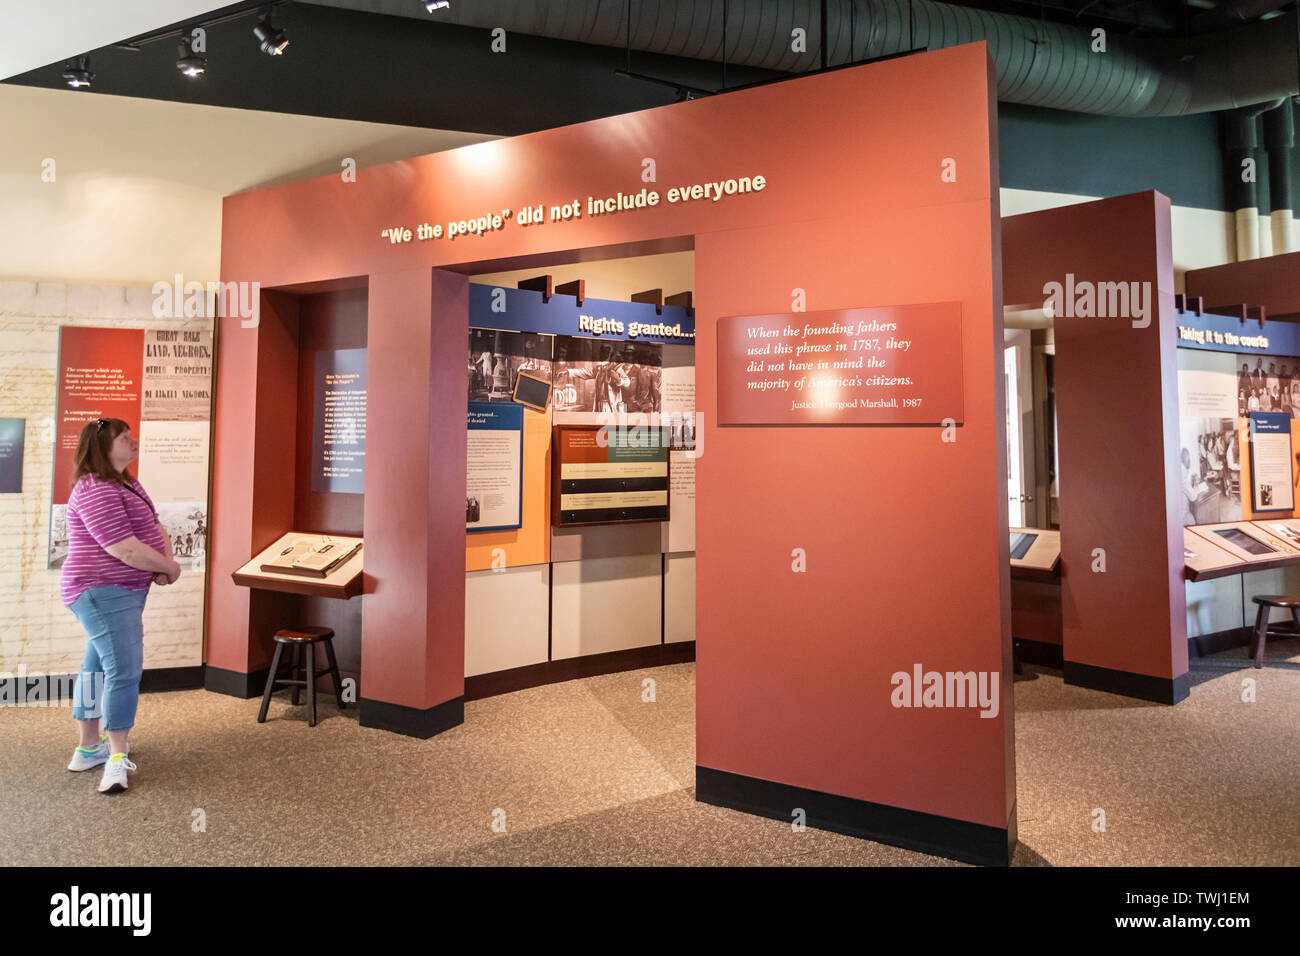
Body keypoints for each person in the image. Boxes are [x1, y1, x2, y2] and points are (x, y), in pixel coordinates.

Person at [61, 418, 181, 795]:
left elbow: (153, 525)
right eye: (124, 438)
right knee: (124, 672)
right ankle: (115, 759)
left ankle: (88, 747)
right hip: (102, 591)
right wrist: (168, 567)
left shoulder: (126, 481)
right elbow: (123, 548)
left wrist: (164, 564)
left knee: (96, 664)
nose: (133, 441)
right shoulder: (95, 488)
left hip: (120, 590)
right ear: (102, 448)